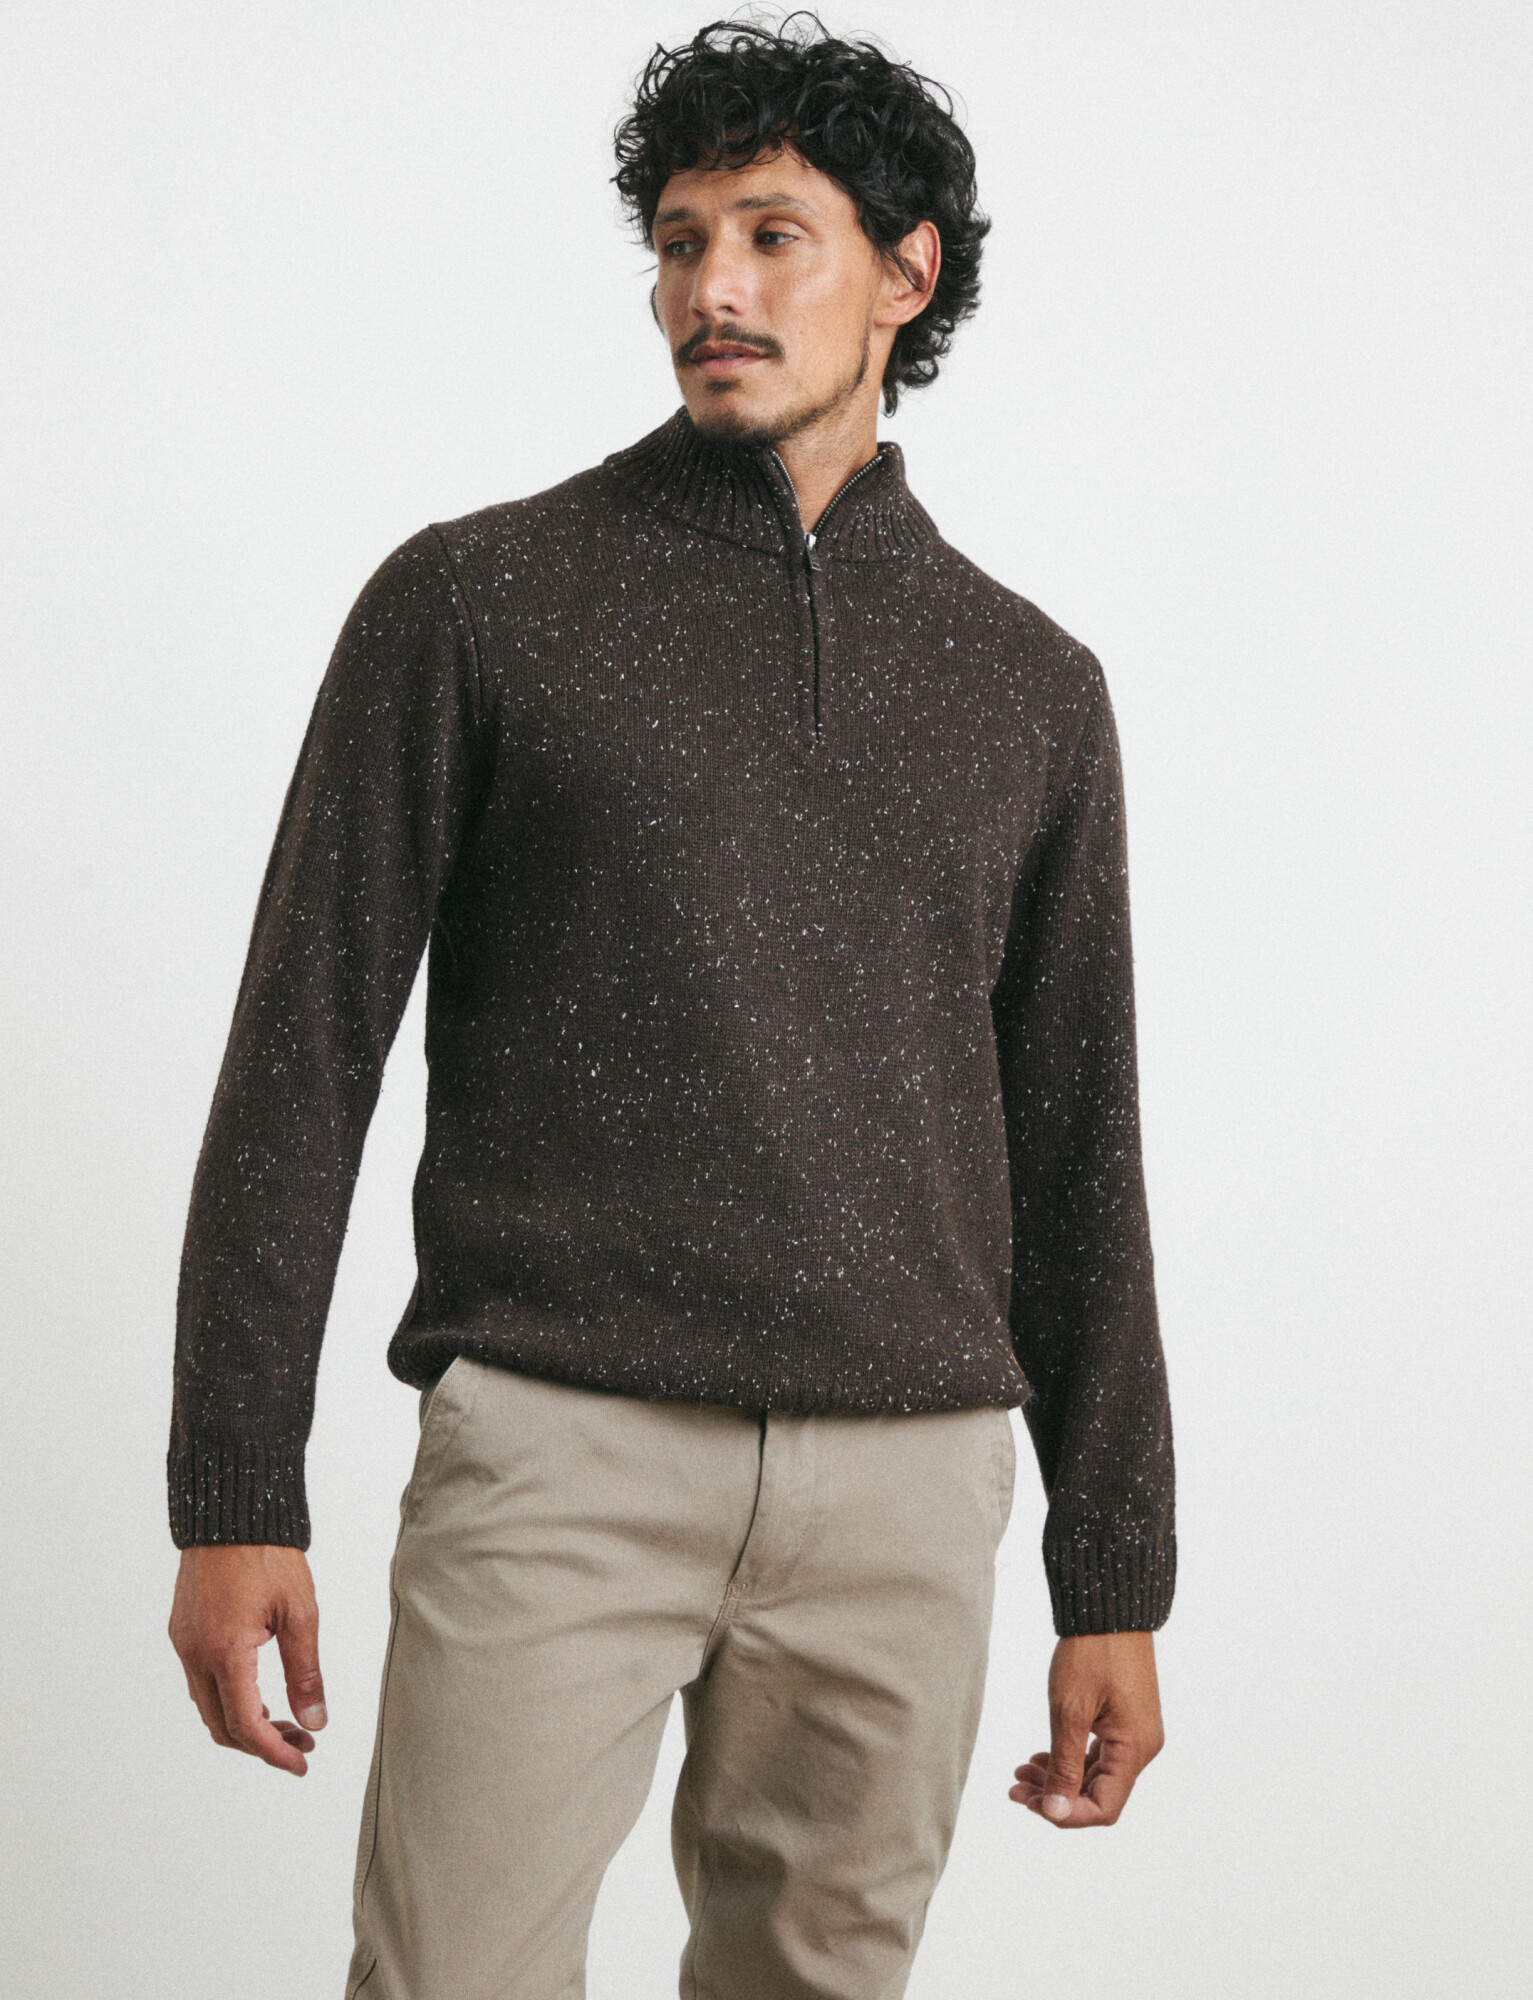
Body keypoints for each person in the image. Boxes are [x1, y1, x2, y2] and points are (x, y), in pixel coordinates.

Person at [167, 16, 1175, 1998]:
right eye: (679, 239)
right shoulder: (477, 599)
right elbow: (301, 1052)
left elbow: (1077, 1141)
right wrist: (234, 1488)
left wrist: (1113, 1574)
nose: (711, 286)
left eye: (773, 235)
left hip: (906, 1482)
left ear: (905, 273)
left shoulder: (1027, 686)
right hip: (559, 1449)